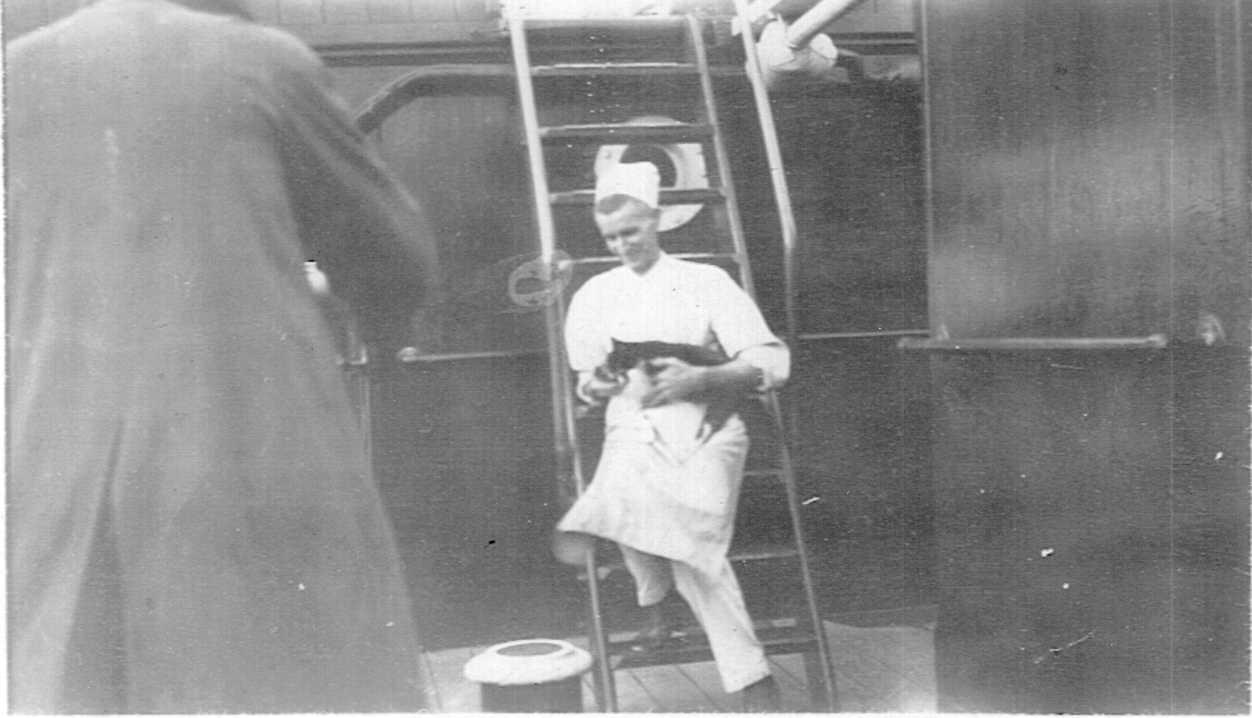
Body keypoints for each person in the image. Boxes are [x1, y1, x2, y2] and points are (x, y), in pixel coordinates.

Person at [6, 0, 439, 712]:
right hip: (245, 456)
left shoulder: (14, 74)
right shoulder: (261, 61)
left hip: (49, 478)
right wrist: (384, 330)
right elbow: (391, 254)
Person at [554, 162, 786, 711]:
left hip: (709, 425)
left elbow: (770, 361)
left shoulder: (707, 282)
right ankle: (751, 679)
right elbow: (588, 386)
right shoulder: (593, 294)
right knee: (668, 526)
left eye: (631, 231)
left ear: (657, 219)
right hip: (633, 428)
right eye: (610, 237)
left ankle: (686, 623)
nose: (621, 245)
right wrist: (600, 385)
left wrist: (703, 376)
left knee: (676, 535)